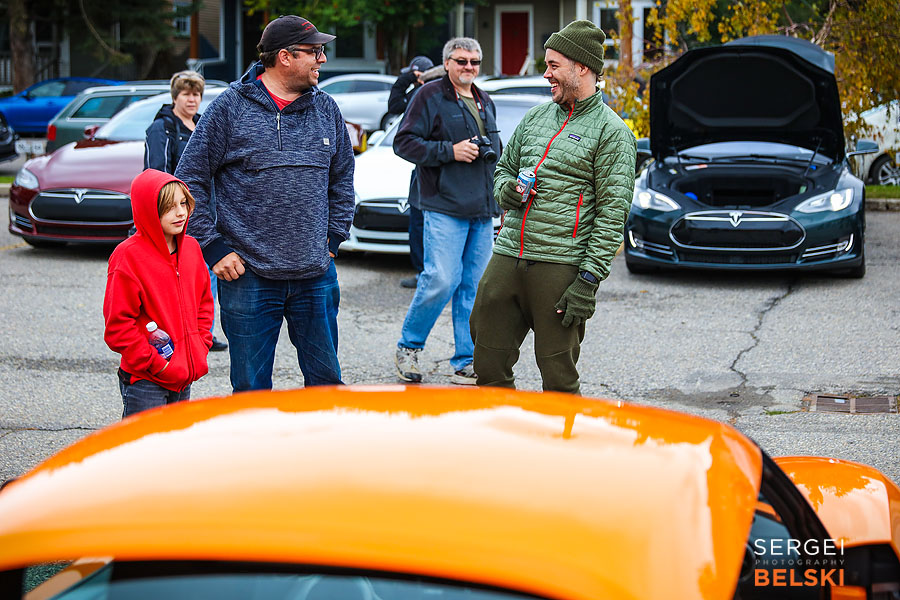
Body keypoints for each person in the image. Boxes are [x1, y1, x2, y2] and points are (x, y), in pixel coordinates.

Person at [175, 15, 354, 393]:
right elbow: (189, 180)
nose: (322, 59)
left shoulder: (326, 109)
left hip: (316, 275)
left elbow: (342, 179)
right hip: (248, 277)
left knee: (326, 385)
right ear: (285, 57)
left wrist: (334, 237)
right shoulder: (229, 108)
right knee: (250, 391)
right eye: (315, 51)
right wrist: (213, 247)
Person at [470, 20, 636, 394]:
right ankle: (502, 429)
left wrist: (588, 282)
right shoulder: (536, 117)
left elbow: (612, 216)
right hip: (508, 254)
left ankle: (563, 433)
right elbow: (503, 169)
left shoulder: (612, 133)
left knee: (558, 375)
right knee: (487, 363)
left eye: (553, 65)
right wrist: (508, 191)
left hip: (561, 265)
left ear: (582, 67)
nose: (546, 74)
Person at [392, 37, 500, 385]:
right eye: (462, 61)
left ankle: (466, 360)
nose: (469, 67)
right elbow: (403, 143)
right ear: (448, 63)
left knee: (474, 287)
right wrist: (449, 151)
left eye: (474, 61)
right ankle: (409, 347)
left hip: (482, 210)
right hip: (444, 205)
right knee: (441, 279)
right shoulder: (429, 95)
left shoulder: (484, 99)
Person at [103, 169, 213, 418]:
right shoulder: (128, 256)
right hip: (147, 380)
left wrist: (200, 345)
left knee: (174, 442)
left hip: (184, 375)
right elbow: (118, 327)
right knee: (146, 443)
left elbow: (204, 304)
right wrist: (157, 365)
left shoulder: (192, 249)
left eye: (183, 203)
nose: (181, 212)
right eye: (170, 207)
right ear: (148, 210)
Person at [144, 70, 227, 353]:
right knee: (175, 276)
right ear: (175, 97)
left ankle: (205, 332)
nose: (192, 100)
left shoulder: (203, 125)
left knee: (207, 272)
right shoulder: (162, 128)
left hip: (206, 213)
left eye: (196, 95)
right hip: (176, 213)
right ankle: (174, 332)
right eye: (186, 94)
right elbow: (156, 172)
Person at [387, 55, 434, 289]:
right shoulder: (417, 94)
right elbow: (395, 106)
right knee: (417, 223)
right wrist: (407, 78)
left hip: (434, 167)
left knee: (428, 224)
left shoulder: (431, 95)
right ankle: (422, 271)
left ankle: (430, 272)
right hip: (421, 168)